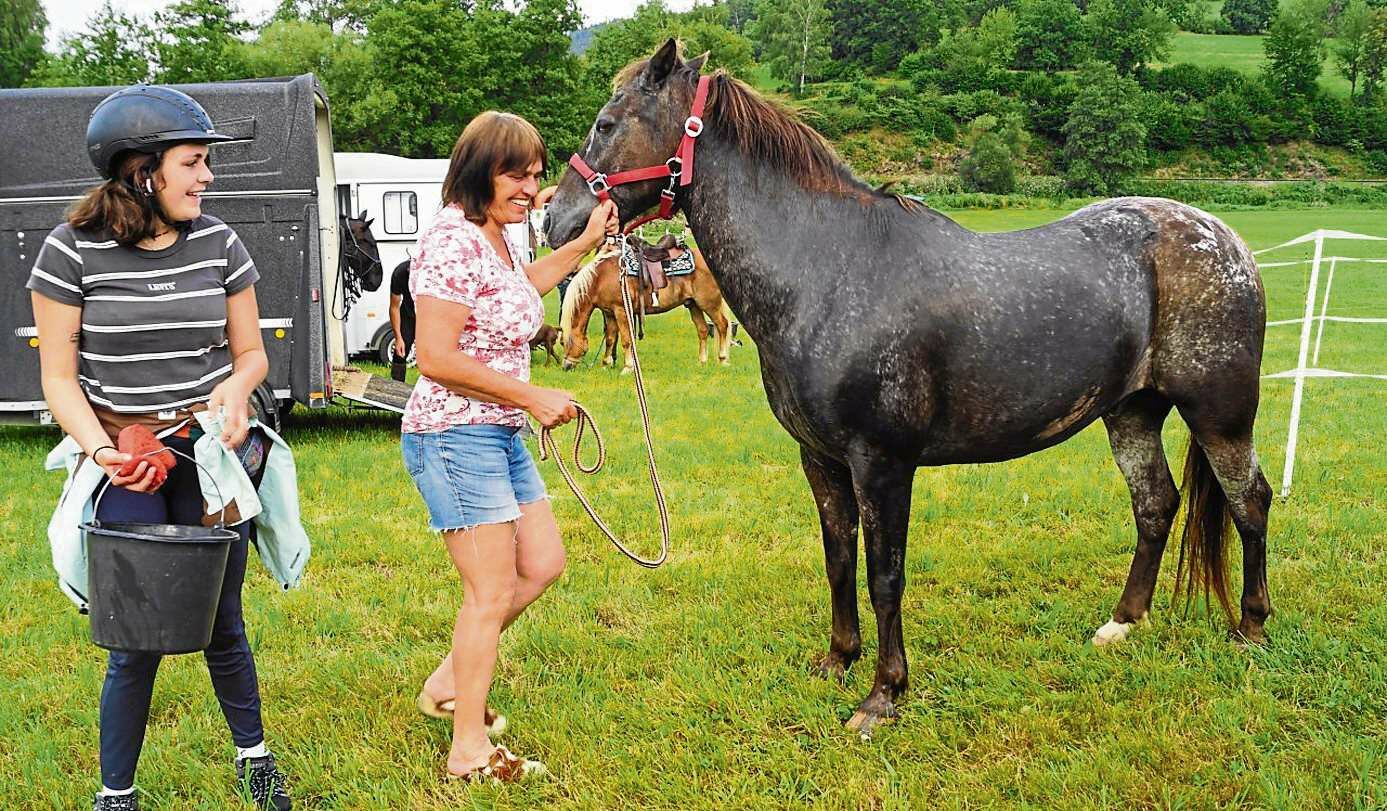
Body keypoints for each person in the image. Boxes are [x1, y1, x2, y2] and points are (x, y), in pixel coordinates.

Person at [27, 84, 301, 811]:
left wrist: (238, 391)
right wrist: (98, 449)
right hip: (124, 455)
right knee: (135, 634)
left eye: (206, 162)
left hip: (207, 454)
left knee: (222, 620)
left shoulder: (220, 242)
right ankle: (116, 791)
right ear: (141, 168)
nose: (207, 177)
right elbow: (57, 375)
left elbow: (250, 355)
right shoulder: (68, 250)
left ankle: (255, 759)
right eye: (193, 161)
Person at [401, 111, 616, 782]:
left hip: (494, 430)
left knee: (543, 562)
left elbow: (519, 292)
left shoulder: (494, 236)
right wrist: (530, 395)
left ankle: (445, 683)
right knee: (489, 591)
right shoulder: (450, 241)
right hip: (452, 431)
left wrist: (584, 242)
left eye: (534, 173)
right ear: (477, 172)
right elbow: (432, 355)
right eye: (514, 174)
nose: (530, 188)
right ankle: (467, 749)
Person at [388, 258, 415, 382]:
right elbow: (394, 307)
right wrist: (398, 338)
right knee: (400, 352)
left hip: (432, 316)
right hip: (409, 315)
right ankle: (396, 388)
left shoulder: (437, 272)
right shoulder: (400, 273)